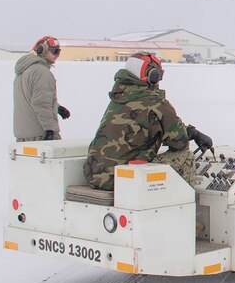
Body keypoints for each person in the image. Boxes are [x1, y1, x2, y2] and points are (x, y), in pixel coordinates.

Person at [83, 52, 213, 191]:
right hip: (123, 178)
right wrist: (194, 135)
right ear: (152, 75)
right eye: (160, 75)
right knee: (185, 155)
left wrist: (191, 132)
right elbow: (179, 143)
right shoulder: (156, 103)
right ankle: (182, 205)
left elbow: (145, 126)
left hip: (94, 176)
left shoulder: (118, 100)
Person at [13, 35, 70, 142]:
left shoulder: (23, 71)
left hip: (23, 137)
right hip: (40, 136)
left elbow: (32, 96)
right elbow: (40, 103)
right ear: (42, 50)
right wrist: (50, 130)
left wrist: (56, 107)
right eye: (54, 51)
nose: (57, 55)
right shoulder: (42, 72)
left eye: (59, 51)